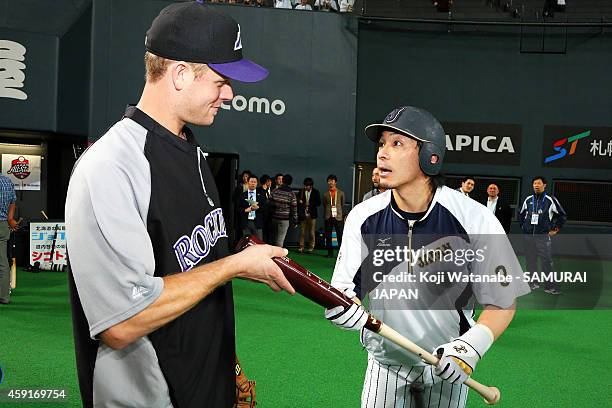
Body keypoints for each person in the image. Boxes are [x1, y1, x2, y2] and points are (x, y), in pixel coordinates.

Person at [64, 3, 295, 407]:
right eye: (222, 81)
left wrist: (229, 369)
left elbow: (191, 273)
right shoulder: (110, 166)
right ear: (181, 74)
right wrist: (235, 266)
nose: (230, 94)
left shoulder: (192, 153)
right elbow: (122, 320)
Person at [325, 106, 529, 408]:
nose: (382, 153)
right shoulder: (363, 217)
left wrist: (470, 348)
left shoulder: (474, 219)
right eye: (382, 143)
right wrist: (345, 309)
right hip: (385, 365)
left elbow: (503, 301)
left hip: (449, 368)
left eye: (397, 143)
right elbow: (344, 291)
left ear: (429, 156)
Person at [518, 176, 566, 295]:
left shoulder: (550, 200)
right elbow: (521, 214)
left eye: (538, 183)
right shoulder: (528, 199)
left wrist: (555, 229)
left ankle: (549, 286)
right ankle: (532, 283)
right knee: (530, 260)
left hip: (543, 236)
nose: (536, 185)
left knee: (546, 261)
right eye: (534, 183)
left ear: (544, 185)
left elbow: (562, 215)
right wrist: (524, 226)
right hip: (529, 236)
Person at [0, 172, 19, 305]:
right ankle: (4, 297)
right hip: (2, 225)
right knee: (2, 262)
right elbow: (13, 202)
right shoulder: (7, 181)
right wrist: (10, 218)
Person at [270, 174, 298, 247]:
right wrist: (295, 220)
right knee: (280, 239)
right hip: (284, 219)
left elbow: (269, 202)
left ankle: (272, 255)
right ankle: (278, 257)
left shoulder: (275, 191)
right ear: (290, 182)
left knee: (274, 238)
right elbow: (294, 208)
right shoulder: (291, 194)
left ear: (283, 181)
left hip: (274, 218)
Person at [322, 174, 345, 258]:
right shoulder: (325, 194)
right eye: (329, 181)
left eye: (332, 181)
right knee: (328, 235)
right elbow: (325, 204)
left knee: (340, 235)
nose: (330, 182)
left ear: (335, 182)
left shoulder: (341, 193)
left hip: (338, 216)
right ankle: (330, 253)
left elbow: (342, 204)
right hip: (328, 216)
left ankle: (341, 253)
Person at [239, 174, 267, 241]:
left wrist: (258, 208)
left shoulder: (261, 195)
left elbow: (266, 208)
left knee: (259, 242)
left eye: (255, 182)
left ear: (257, 183)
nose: (253, 183)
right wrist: (245, 210)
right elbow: (238, 208)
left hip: (257, 222)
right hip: (246, 222)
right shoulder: (242, 195)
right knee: (246, 243)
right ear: (248, 182)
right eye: (251, 181)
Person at [297, 177, 321, 253]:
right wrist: (300, 202)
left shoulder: (316, 192)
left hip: (312, 214)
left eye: (307, 185)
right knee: (302, 231)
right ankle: (301, 246)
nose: (306, 187)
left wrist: (310, 204)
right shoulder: (301, 191)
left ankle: (311, 246)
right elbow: (297, 200)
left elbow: (319, 203)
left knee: (311, 231)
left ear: (311, 186)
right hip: (303, 214)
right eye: (305, 185)